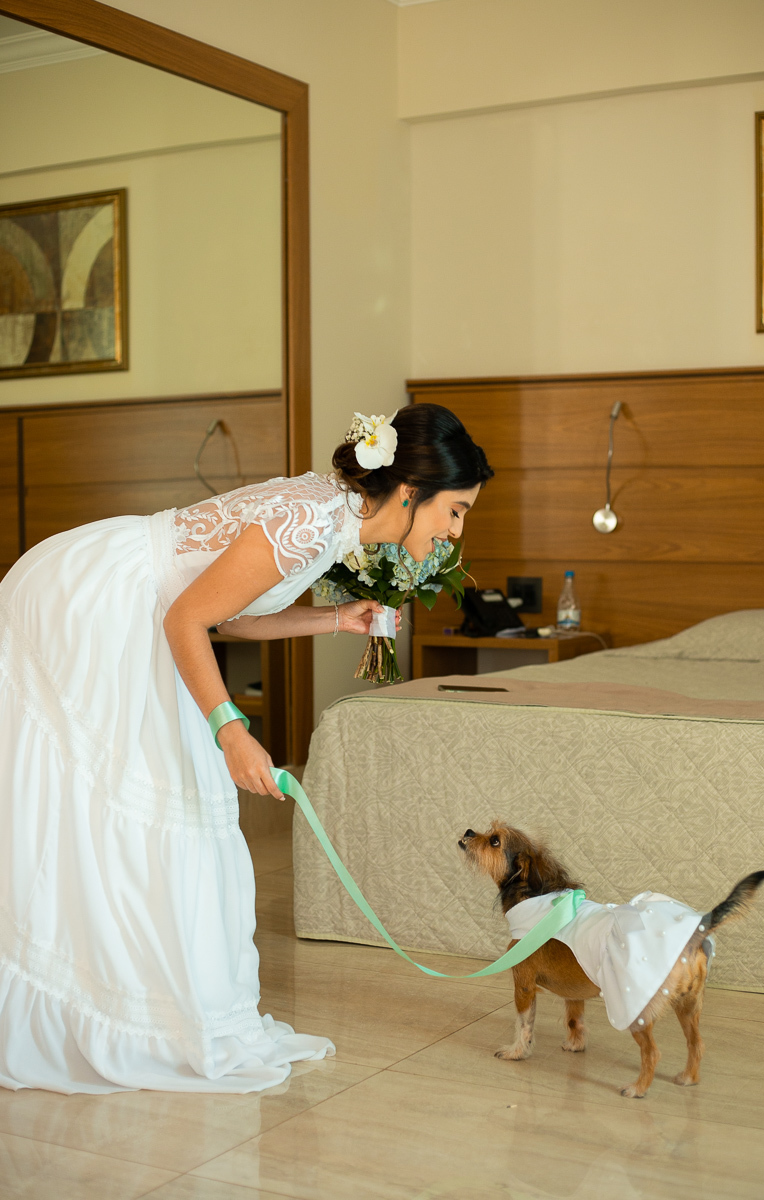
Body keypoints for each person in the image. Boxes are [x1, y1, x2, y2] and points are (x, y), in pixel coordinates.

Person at [0, 402, 492, 1094]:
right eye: (455, 511)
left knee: (170, 818)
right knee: (122, 805)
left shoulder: (335, 517)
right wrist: (231, 731)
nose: (454, 529)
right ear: (409, 494)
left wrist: (334, 617)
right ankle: (89, 1005)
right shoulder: (313, 519)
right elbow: (188, 617)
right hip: (93, 603)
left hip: (144, 611)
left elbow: (226, 612)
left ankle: (155, 1007)